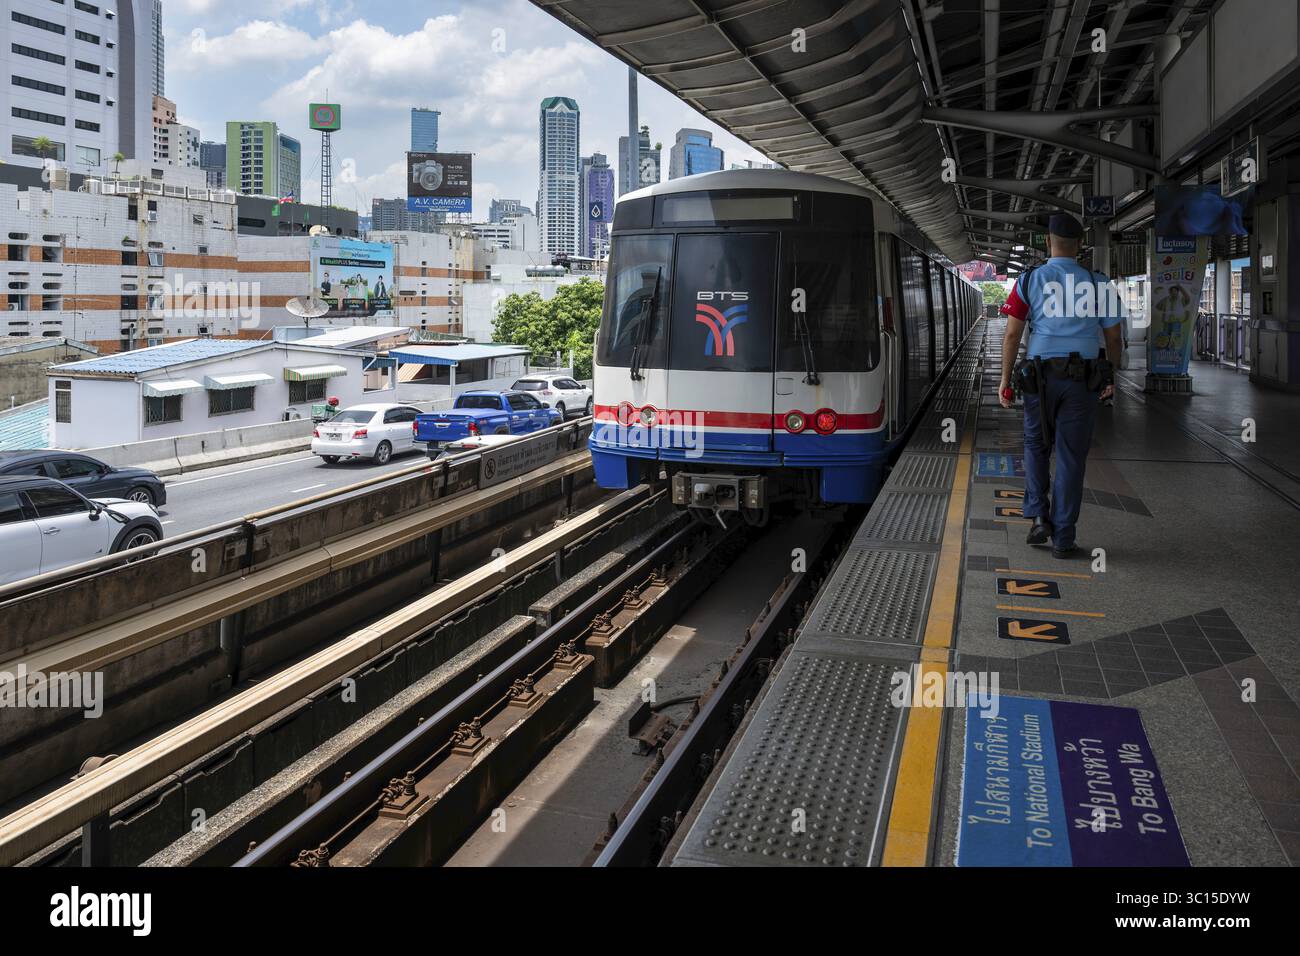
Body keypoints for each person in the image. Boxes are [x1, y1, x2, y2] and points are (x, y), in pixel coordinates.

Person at [998, 213, 1123, 558]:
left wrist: (1006, 380)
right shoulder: (1100, 284)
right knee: (1071, 457)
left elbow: (1012, 334)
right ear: (1080, 245)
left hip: (1038, 378)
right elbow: (1114, 338)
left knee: (1035, 444)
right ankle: (1064, 537)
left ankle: (1039, 516)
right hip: (1082, 381)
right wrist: (1109, 375)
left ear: (1049, 243)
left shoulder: (1029, 281)